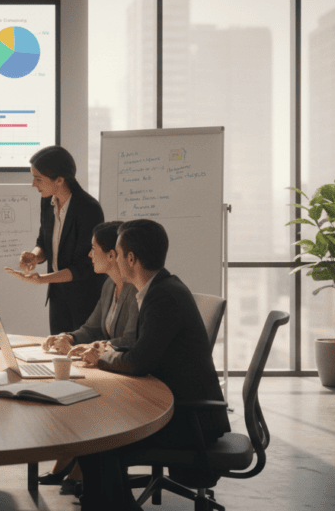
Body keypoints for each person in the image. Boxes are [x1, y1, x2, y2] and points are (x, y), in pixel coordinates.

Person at [76, 219, 230, 511]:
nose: (115, 260)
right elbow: (142, 350)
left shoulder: (162, 297)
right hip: (173, 406)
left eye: (118, 253)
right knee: (94, 433)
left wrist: (101, 358)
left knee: (96, 439)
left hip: (189, 421)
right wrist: (107, 352)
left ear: (131, 259)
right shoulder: (160, 288)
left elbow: (137, 362)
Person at [33, 221, 140, 492]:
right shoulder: (109, 286)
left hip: (128, 375)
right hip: (110, 367)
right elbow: (92, 327)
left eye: (93, 249)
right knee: (68, 389)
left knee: (82, 395)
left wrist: (95, 347)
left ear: (112, 255)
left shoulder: (135, 289)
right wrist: (69, 337)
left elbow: (130, 340)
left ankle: (80, 467)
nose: (89, 255)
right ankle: (70, 459)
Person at [12, 146, 107, 335]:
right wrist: (35, 256)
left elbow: (84, 266)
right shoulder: (47, 201)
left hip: (85, 299)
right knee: (57, 346)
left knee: (80, 350)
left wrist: (43, 279)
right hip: (57, 296)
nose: (33, 184)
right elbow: (43, 242)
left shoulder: (89, 209)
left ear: (60, 179)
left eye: (38, 178)